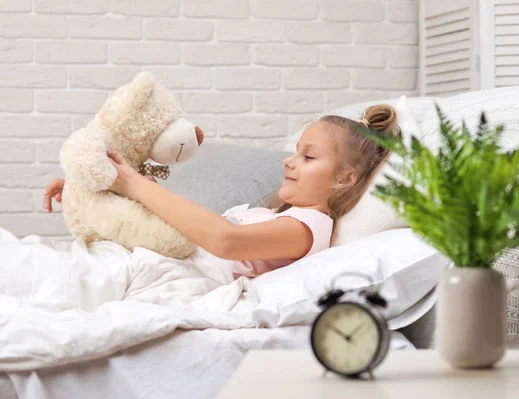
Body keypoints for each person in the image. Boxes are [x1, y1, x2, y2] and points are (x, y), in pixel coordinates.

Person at [43, 105, 399, 279]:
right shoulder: (272, 216)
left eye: (308, 157)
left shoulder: (309, 228)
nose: (290, 162)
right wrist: (94, 192)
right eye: (295, 152)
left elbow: (226, 241)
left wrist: (132, 184)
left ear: (345, 179)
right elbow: (180, 226)